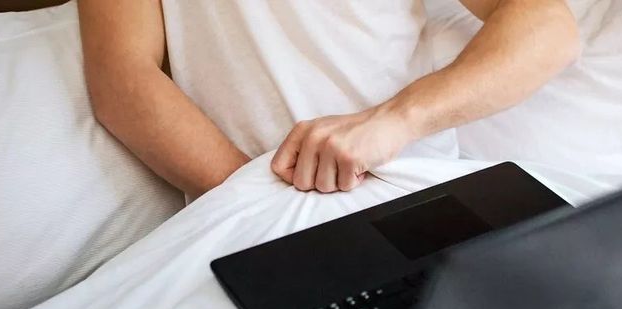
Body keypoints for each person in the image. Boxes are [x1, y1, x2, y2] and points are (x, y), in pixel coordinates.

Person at [77, 0, 579, 199]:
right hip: (255, 214)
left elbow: (547, 28)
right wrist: (254, 202)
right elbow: (122, 79)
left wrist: (397, 120)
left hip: (421, 191)